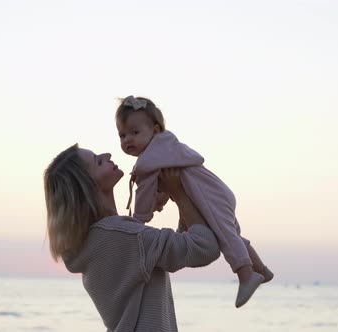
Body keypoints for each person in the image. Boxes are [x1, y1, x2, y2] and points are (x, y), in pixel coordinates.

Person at [116, 95, 274, 308]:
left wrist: (139, 219)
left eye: (135, 133)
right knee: (228, 233)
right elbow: (160, 187)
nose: (127, 140)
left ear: (154, 131)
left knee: (225, 234)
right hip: (213, 191)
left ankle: (246, 275)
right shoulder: (164, 151)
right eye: (122, 135)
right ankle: (262, 270)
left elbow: (145, 193)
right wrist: (160, 200)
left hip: (208, 195)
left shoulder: (149, 161)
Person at [44, 144, 221, 332]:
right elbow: (204, 247)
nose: (108, 154)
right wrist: (178, 191)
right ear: (87, 184)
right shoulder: (122, 236)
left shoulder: (98, 240)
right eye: (98, 161)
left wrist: (175, 195)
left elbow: (177, 249)